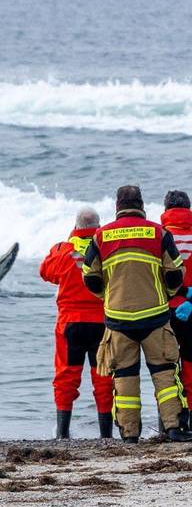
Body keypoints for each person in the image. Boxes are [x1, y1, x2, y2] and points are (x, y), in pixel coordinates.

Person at [82, 185, 192, 442]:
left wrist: (108, 297)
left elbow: (90, 277)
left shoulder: (100, 237)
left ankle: (129, 434)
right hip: (155, 316)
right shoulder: (158, 232)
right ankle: (174, 428)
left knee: (124, 377)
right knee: (165, 373)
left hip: (118, 319)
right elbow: (175, 273)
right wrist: (167, 294)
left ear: (117, 207)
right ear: (141, 205)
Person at [39, 207, 112, 439]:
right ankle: (106, 435)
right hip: (102, 323)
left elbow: (45, 273)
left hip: (70, 324)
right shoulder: (107, 249)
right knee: (103, 378)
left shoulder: (63, 250)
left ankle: (62, 433)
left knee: (66, 378)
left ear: (76, 225)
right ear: (98, 226)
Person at [161, 190, 192, 405]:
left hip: (163, 309)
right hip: (191, 308)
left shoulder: (159, 236)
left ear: (166, 210)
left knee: (165, 366)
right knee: (190, 363)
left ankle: (170, 419)